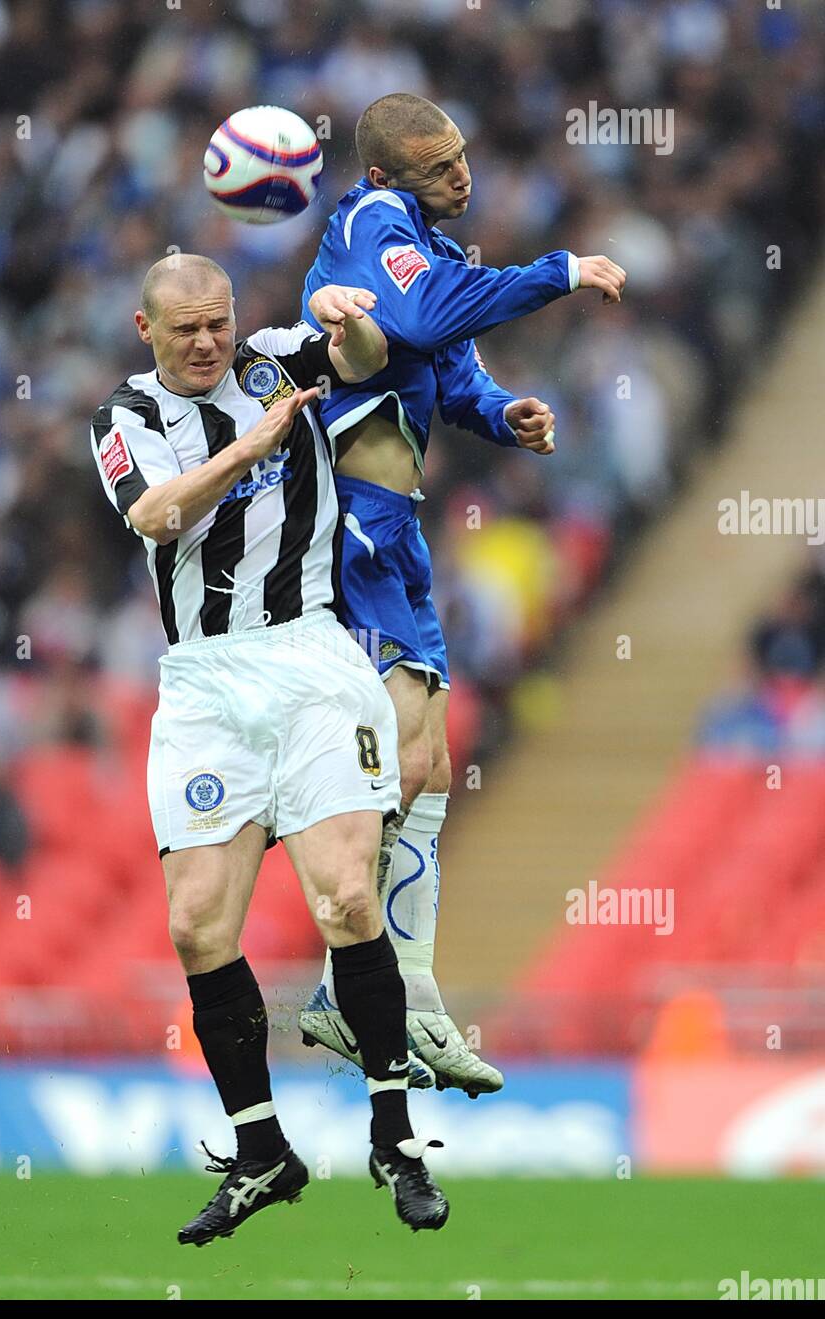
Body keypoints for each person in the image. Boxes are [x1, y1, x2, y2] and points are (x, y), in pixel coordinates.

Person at [90, 253, 449, 1243]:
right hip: (204, 682)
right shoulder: (123, 418)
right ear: (145, 328)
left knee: (342, 894)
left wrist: (345, 317)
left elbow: (365, 357)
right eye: (186, 329)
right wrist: (251, 449)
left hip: (309, 660)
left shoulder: (275, 359)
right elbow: (156, 517)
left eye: (219, 323)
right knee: (198, 927)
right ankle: (261, 1152)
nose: (208, 342)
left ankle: (395, 1138)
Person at [301, 93, 627, 1095]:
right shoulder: (369, 228)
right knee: (398, 757)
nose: (462, 176)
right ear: (387, 175)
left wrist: (506, 413)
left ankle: (406, 988)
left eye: (462, 158)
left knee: (430, 764)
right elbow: (421, 316)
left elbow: (446, 364)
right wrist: (560, 272)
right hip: (353, 520)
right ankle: (353, 987)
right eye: (439, 165)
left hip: (398, 530)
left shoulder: (427, 247)